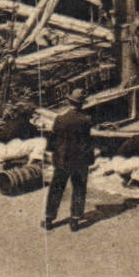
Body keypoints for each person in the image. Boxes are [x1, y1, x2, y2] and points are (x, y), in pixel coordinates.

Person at [45, 87, 93, 232]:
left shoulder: (60, 119)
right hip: (80, 160)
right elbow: (88, 141)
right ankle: (75, 219)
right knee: (79, 188)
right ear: (82, 103)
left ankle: (49, 218)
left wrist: (53, 154)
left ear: (69, 101)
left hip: (62, 159)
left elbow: (52, 140)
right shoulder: (87, 120)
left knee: (56, 188)